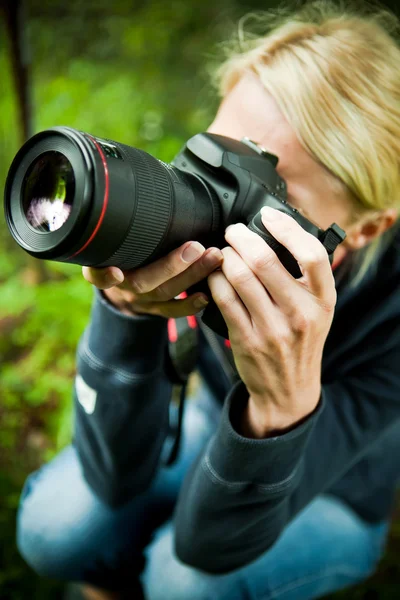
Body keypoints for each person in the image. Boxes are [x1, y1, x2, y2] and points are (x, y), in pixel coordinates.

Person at [16, 1, 400, 599]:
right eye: (223, 151)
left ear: (367, 228)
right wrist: (127, 316)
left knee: (181, 579)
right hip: (212, 417)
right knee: (53, 529)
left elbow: (209, 549)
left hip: (338, 491)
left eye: (269, 186)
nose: (222, 188)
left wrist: (280, 411)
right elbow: (111, 478)